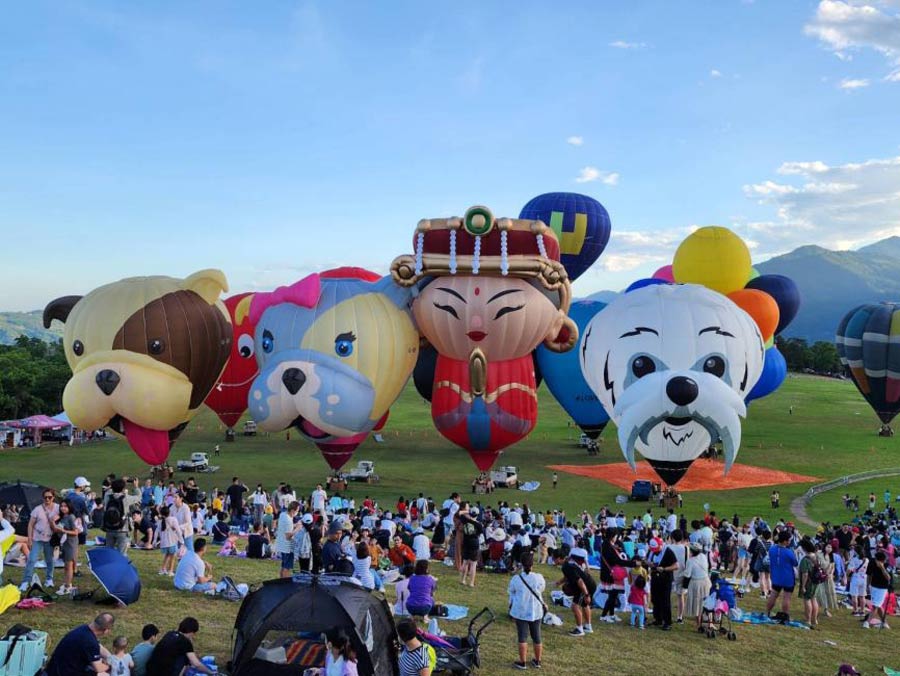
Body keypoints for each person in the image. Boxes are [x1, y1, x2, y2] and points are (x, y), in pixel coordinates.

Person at [45, 612, 115, 676]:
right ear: (106, 631)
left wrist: (111, 658)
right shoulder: (90, 642)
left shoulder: (84, 629)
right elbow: (98, 668)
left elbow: (99, 647)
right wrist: (110, 666)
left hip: (55, 668)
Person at [507, 552, 545, 670]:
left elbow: (511, 592)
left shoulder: (516, 579)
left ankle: (522, 662)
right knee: (537, 636)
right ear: (532, 564)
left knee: (522, 636)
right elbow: (541, 589)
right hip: (536, 610)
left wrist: (510, 605)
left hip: (521, 611)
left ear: (521, 564)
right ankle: (537, 661)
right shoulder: (538, 578)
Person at [20, 487, 59, 591]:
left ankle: (49, 579)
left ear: (53, 497)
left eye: (49, 497)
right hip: (37, 538)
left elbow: (66, 515)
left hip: (50, 539)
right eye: (45, 497)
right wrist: (29, 538)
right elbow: (30, 524)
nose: (47, 499)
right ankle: (25, 581)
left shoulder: (58, 508)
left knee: (49, 560)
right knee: (32, 559)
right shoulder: (37, 509)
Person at [146, 617, 216, 676]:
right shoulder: (185, 642)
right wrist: (211, 672)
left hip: (150, 671)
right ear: (191, 632)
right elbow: (196, 664)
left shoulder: (170, 633)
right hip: (164, 673)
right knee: (185, 658)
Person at [557, 547, 595, 636]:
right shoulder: (568, 562)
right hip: (590, 583)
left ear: (558, 558)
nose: (553, 561)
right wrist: (559, 582)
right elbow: (569, 576)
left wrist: (586, 595)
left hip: (585, 586)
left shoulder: (566, 566)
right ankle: (588, 627)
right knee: (584, 605)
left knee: (575, 606)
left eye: (553, 558)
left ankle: (579, 629)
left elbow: (580, 581)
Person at [649, 531, 679, 630]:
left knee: (665, 600)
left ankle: (667, 622)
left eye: (657, 550)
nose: (655, 552)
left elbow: (676, 566)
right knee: (655, 599)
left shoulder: (668, 551)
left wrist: (664, 569)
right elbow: (648, 560)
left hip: (665, 579)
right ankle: (658, 619)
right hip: (655, 577)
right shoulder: (652, 551)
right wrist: (650, 564)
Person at [766, 530, 798, 621]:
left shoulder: (772, 549)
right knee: (787, 597)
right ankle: (785, 615)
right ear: (784, 541)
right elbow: (795, 563)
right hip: (788, 578)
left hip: (776, 576)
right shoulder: (789, 552)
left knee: (773, 595)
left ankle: (767, 612)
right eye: (788, 540)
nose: (789, 542)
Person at [54, 498, 80, 595]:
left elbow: (76, 532)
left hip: (71, 544)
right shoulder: (62, 517)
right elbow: (56, 530)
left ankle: (68, 586)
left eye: (65, 506)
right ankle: (66, 583)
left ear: (69, 507)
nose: (63, 508)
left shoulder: (71, 517)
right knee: (66, 566)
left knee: (69, 566)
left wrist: (64, 531)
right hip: (64, 544)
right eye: (61, 506)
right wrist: (53, 521)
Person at [683, 542, 711, 628]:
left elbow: (687, 575)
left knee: (697, 603)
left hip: (696, 583)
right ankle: (709, 622)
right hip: (706, 581)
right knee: (707, 602)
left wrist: (684, 586)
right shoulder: (703, 556)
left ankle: (699, 623)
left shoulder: (690, 561)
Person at [864, 551, 893, 629]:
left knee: (875, 606)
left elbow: (888, 578)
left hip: (882, 588)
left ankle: (867, 622)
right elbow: (869, 574)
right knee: (878, 605)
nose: (875, 561)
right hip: (873, 586)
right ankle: (885, 623)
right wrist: (867, 585)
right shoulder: (872, 563)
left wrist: (882, 567)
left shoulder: (887, 566)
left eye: (876, 560)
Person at [457, 502, 482, 588]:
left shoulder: (465, 520)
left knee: (465, 562)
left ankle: (462, 580)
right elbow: (480, 533)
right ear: (477, 515)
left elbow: (459, 513)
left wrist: (467, 512)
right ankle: (471, 582)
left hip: (466, 542)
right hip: (474, 543)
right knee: (473, 564)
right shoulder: (478, 524)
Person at [797, 538, 821, 628]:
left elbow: (805, 574)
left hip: (808, 582)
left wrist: (803, 586)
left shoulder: (805, 559)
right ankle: (814, 619)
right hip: (816, 581)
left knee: (807, 600)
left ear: (804, 548)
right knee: (814, 599)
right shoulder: (816, 557)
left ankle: (808, 620)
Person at [103, 479, 130, 556]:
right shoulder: (126, 498)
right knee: (122, 553)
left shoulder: (107, 497)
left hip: (109, 527)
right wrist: (136, 487)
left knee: (109, 552)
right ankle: (121, 563)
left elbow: (107, 492)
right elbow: (138, 497)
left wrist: (112, 486)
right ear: (123, 488)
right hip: (122, 528)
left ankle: (109, 563)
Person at [275, 500, 299, 578]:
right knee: (287, 568)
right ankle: (286, 582)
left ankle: (281, 581)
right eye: (297, 511)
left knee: (283, 566)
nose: (297, 513)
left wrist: (295, 525)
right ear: (292, 510)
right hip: (287, 548)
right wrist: (297, 529)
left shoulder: (283, 514)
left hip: (281, 545)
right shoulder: (288, 520)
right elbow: (288, 536)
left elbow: (286, 527)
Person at [157, 505, 183, 577]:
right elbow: (178, 530)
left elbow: (157, 532)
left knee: (167, 555)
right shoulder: (173, 519)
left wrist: (154, 542)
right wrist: (181, 540)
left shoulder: (160, 521)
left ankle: (163, 569)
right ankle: (170, 571)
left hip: (164, 543)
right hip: (172, 542)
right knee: (172, 557)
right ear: (169, 512)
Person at [847, 544, 869, 616]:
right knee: (862, 596)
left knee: (854, 596)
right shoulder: (866, 560)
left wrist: (847, 576)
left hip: (855, 578)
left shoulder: (854, 559)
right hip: (863, 578)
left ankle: (855, 611)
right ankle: (862, 611)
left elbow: (849, 570)